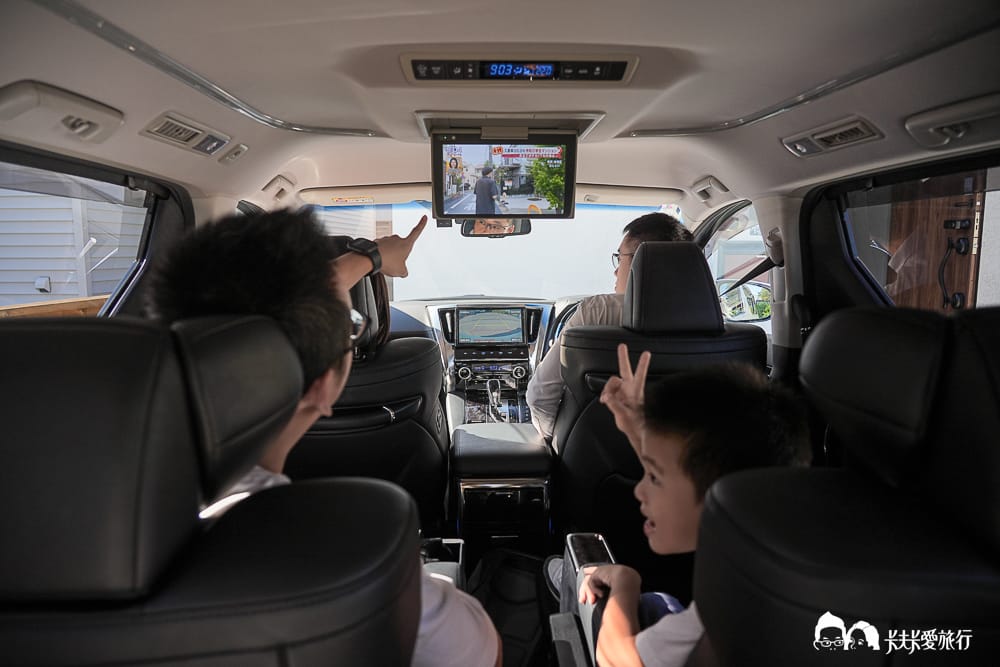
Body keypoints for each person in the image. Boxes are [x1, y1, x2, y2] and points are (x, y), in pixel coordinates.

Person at [146, 208, 502, 667]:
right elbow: (482, 657)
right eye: (349, 332)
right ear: (323, 386)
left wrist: (370, 259)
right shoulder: (356, 546)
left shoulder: (76, 504)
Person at [565, 344, 809, 667]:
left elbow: (615, 657)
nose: (639, 490)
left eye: (653, 477)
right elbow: (691, 474)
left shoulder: (718, 619)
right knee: (658, 603)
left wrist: (625, 580)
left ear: (723, 502)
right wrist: (637, 429)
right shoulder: (780, 542)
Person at [526, 212, 693, 440]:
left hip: (591, 468)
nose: (615, 270)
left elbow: (540, 395)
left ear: (639, 261)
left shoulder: (595, 311)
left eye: (619, 257)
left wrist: (558, 443)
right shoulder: (719, 328)